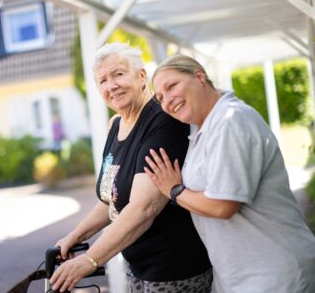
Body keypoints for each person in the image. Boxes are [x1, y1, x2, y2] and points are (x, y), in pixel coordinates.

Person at [144, 54, 315, 293]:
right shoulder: (201, 126)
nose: (167, 101)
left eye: (171, 86)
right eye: (160, 97)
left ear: (199, 76)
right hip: (237, 275)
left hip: (275, 273)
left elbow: (222, 206)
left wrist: (174, 190)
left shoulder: (231, 120)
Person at [49, 43, 212, 293]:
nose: (111, 85)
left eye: (118, 74)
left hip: (173, 268)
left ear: (142, 76)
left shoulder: (163, 121)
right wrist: (75, 236)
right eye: (102, 80)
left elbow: (143, 208)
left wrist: (90, 259)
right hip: (137, 265)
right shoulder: (116, 125)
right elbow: (111, 200)